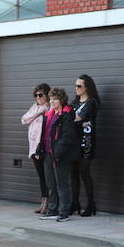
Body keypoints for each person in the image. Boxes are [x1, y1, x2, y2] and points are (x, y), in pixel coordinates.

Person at [39, 87, 80, 221]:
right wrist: (41, 147)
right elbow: (45, 134)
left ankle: (64, 212)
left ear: (61, 100)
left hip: (60, 155)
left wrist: (58, 151)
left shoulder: (66, 115)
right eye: (51, 99)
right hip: (49, 154)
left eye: (55, 99)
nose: (52, 101)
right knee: (51, 184)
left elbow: (68, 137)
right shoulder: (50, 115)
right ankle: (53, 210)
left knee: (62, 184)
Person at [69, 74, 101, 216]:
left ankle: (91, 205)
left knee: (85, 174)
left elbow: (77, 118)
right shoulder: (75, 102)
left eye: (79, 86)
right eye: (75, 85)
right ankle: (74, 203)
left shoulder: (91, 102)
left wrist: (74, 121)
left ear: (87, 87)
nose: (76, 88)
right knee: (73, 175)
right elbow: (67, 117)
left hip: (86, 143)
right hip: (74, 143)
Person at [21, 83, 51, 214]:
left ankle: (50, 203)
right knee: (41, 176)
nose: (38, 97)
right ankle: (44, 201)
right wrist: (38, 111)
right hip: (33, 148)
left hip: (44, 147)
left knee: (47, 176)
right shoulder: (35, 107)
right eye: (36, 95)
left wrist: (42, 112)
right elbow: (24, 120)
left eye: (41, 95)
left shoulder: (50, 108)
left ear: (47, 95)